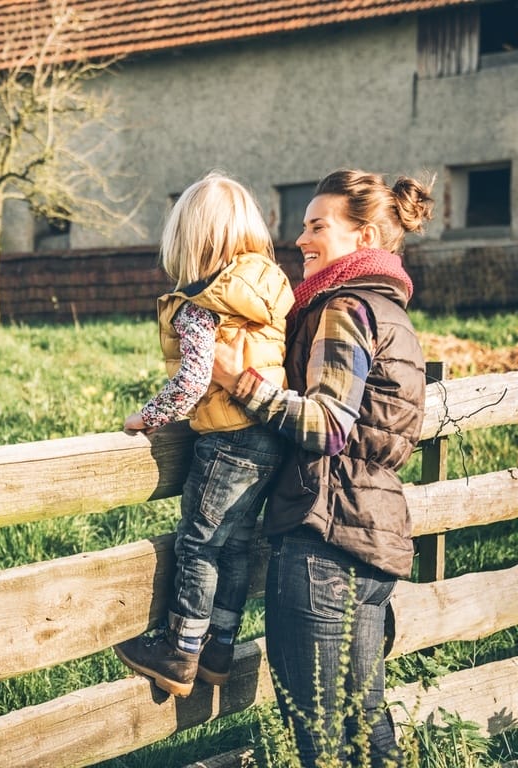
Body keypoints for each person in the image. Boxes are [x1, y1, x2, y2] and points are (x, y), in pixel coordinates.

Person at [211, 168, 433, 767]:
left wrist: (241, 384)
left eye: (317, 226)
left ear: (363, 239)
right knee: (364, 722)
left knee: (319, 735)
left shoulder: (345, 307)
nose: (300, 239)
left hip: (323, 539)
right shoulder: (392, 312)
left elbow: (329, 426)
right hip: (370, 536)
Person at [113, 171, 293, 697]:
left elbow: (193, 379)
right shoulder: (268, 288)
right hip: (269, 433)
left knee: (198, 546)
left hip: (227, 437)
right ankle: (218, 649)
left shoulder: (202, 303)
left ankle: (179, 652)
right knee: (234, 547)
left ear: (191, 240)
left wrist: (148, 416)